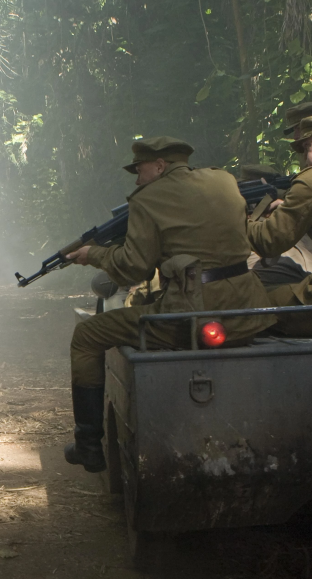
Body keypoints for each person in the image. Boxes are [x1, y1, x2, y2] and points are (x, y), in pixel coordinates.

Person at [62, 137, 275, 473]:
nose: (137, 179)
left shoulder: (148, 199)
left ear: (160, 165)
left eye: (140, 169)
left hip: (189, 314)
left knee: (87, 336)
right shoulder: (223, 180)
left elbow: (134, 268)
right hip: (248, 309)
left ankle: (88, 445)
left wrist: (95, 255)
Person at [247, 104, 312, 335]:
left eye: (307, 145)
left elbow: (269, 241)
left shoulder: (308, 181)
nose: (307, 156)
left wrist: (236, 219)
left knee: (243, 305)